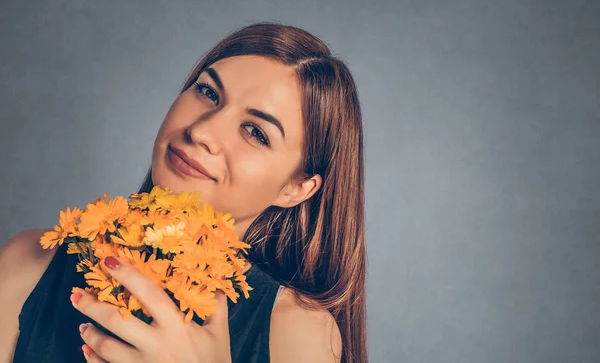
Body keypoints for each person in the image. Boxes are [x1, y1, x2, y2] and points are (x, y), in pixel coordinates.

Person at [0, 22, 367, 362]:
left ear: (296, 188)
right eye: (208, 92)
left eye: (256, 131)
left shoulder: (298, 332)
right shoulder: (28, 263)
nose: (202, 131)